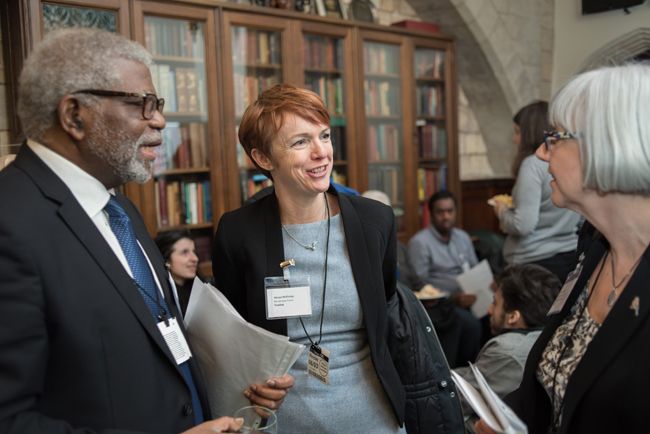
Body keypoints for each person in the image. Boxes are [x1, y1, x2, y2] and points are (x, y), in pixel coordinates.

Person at [0, 27, 291, 434]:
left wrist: (233, 384)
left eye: (159, 104)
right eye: (142, 104)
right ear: (74, 115)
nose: (160, 120)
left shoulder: (121, 210)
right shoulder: (11, 224)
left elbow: (155, 340)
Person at [212, 84, 406, 433]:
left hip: (373, 417)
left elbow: (386, 307)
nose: (321, 153)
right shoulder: (237, 232)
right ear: (264, 159)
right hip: (281, 421)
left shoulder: (374, 220)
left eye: (325, 136)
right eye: (300, 142)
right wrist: (250, 381)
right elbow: (233, 337)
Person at [476, 63, 650, 434]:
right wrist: (507, 417)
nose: (540, 154)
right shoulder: (593, 244)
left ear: (608, 143)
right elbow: (552, 375)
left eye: (554, 137)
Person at [492, 101, 581, 282]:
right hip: (569, 256)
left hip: (534, 264)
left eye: (517, 132)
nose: (514, 139)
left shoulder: (533, 165)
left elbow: (523, 225)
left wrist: (501, 211)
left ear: (530, 132)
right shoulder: (572, 161)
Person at [455, 264, 560, 399]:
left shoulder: (507, 352)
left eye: (495, 303)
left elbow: (458, 397)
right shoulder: (554, 336)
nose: (489, 310)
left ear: (513, 317)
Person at [406, 190, 482, 367]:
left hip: (474, 296)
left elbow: (475, 268)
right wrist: (453, 298)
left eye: (450, 211)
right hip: (443, 305)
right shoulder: (420, 242)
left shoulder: (462, 237)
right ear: (431, 214)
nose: (446, 216)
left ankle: (483, 372)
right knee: (472, 325)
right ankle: (462, 374)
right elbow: (421, 284)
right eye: (440, 212)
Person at [155, 229, 200, 315]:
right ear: (166, 259)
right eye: (184, 252)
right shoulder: (162, 299)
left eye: (194, 251)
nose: (195, 258)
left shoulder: (199, 289)